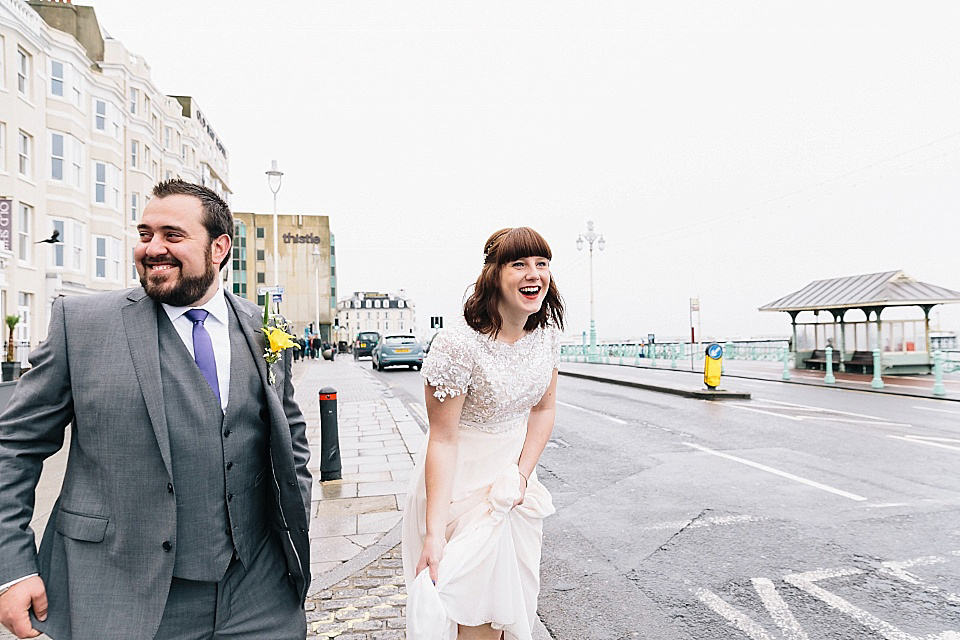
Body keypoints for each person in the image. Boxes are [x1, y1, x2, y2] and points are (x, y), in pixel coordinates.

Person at [0, 180, 312, 640]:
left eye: (173, 235)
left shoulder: (263, 328)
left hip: (258, 594)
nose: (152, 248)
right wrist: (12, 566)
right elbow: (14, 447)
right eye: (145, 234)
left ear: (219, 248)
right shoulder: (81, 324)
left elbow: (293, 444)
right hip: (125, 594)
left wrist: (292, 537)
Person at [401, 227, 564, 640]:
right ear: (494, 274)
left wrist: (522, 476)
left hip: (512, 487)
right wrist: (433, 535)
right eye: (519, 264)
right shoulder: (458, 344)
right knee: (475, 619)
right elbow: (443, 439)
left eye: (541, 264)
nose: (534, 274)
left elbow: (544, 409)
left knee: (509, 613)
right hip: (460, 488)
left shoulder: (546, 336)